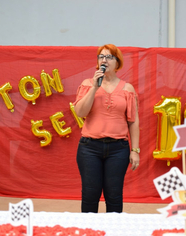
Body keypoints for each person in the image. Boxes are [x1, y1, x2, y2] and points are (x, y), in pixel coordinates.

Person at [73, 44, 140, 213]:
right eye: (101, 57)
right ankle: (89, 231)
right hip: (89, 148)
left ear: (117, 62)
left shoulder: (127, 89)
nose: (104, 60)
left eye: (109, 57)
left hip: (118, 149)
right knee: (90, 193)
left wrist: (135, 150)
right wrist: (95, 87)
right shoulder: (88, 84)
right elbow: (80, 112)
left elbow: (134, 122)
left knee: (114, 194)